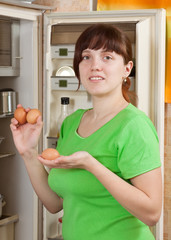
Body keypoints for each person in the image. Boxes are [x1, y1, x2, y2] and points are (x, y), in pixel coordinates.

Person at [10, 24, 162, 240]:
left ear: (127, 69)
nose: (95, 66)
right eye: (86, 57)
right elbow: (55, 204)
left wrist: (91, 165)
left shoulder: (134, 125)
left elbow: (152, 213)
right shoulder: (72, 123)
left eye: (107, 57)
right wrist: (28, 152)